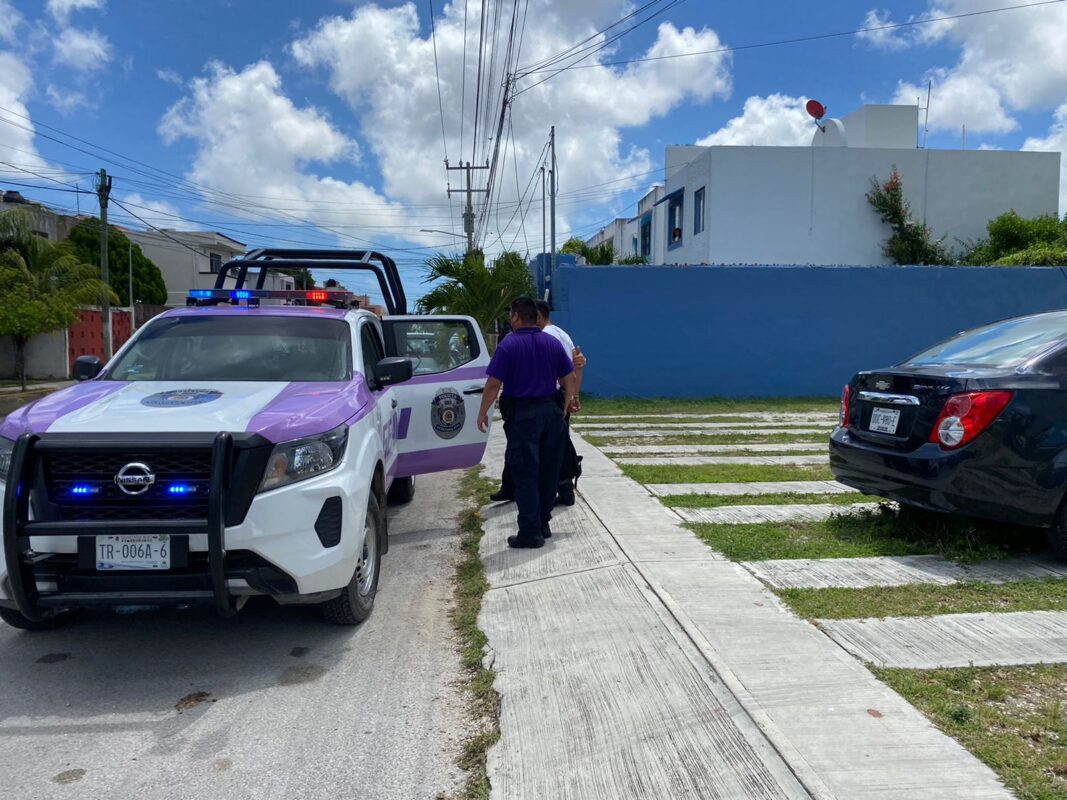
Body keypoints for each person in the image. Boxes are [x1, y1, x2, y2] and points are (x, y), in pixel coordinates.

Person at [477, 298, 579, 549]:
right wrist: (567, 402)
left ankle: (530, 531)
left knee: (525, 473)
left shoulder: (509, 345)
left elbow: (493, 383)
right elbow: (570, 376)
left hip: (524, 417)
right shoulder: (552, 343)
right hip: (552, 414)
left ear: (515, 317)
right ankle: (542, 523)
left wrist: (482, 412)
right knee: (548, 472)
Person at [490, 300, 586, 505]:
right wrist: (573, 397)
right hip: (558, 402)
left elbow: (565, 372)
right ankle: (557, 492)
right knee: (556, 450)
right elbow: (573, 370)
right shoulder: (561, 334)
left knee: (537, 459)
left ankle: (539, 503)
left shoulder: (544, 338)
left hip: (543, 402)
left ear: (538, 316)